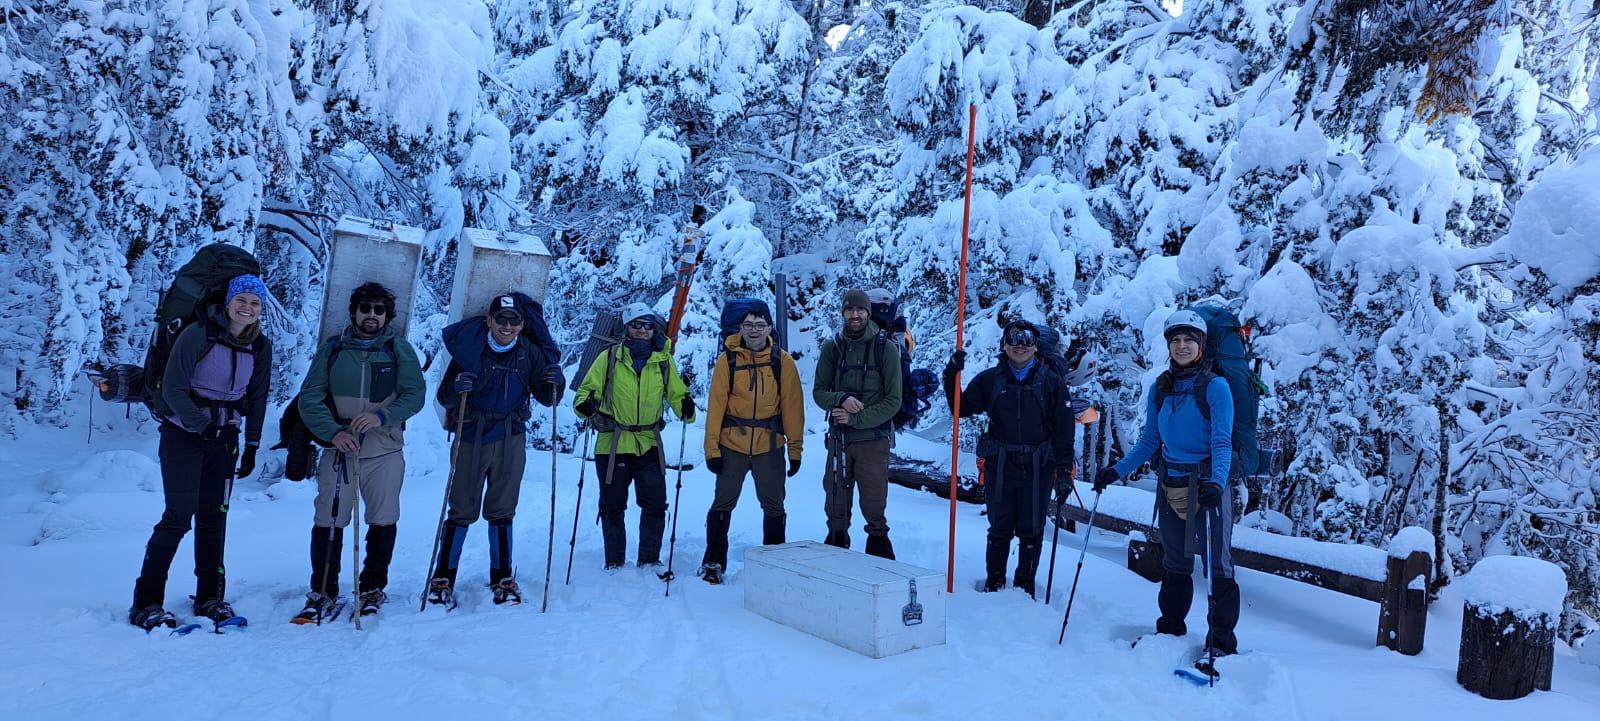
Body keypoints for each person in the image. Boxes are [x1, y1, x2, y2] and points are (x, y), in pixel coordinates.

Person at [1093, 309, 1241, 671]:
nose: (1182, 345)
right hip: (1171, 482)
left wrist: (1217, 482)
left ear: (1201, 344)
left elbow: (1222, 442)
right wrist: (1115, 471)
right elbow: (1149, 442)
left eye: (1189, 339)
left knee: (1218, 564)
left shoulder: (1216, 387)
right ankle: (1171, 628)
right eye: (1175, 340)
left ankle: (1221, 642)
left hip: (1207, 485)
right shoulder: (1162, 386)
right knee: (1175, 561)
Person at [129, 274, 271, 630]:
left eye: (255, 303)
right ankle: (146, 603)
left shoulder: (260, 346)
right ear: (228, 303)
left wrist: (252, 443)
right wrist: (202, 426)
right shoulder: (199, 334)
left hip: (225, 439)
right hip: (184, 436)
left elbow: (257, 397)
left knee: (213, 518)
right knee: (178, 516)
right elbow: (175, 388)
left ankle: (210, 597)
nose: (247, 308)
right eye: (242, 300)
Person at [293, 283, 426, 621]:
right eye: (365, 308)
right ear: (353, 312)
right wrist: (333, 433)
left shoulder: (399, 350)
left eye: (378, 310)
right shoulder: (332, 350)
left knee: (383, 518)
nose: (371, 315)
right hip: (341, 449)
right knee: (329, 519)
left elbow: (414, 395)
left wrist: (382, 415)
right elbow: (309, 399)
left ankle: (372, 587)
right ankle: (323, 590)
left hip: (384, 451)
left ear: (387, 316)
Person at [428, 293, 563, 607]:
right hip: (472, 435)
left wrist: (557, 382)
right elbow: (445, 395)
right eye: (500, 319)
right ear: (488, 321)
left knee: (503, 507)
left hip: (510, 436)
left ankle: (502, 576)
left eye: (513, 320)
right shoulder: (471, 351)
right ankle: (443, 577)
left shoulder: (528, 353)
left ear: (521, 324)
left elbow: (547, 397)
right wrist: (456, 388)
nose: (507, 325)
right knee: (461, 507)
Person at [943, 320, 1075, 596]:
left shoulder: (1051, 383)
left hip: (1039, 466)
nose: (1019, 345)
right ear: (1004, 344)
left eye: (1027, 340)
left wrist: (1063, 472)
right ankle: (995, 581)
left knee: (1032, 527)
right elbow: (961, 409)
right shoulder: (991, 379)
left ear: (1036, 346)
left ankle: (1025, 585)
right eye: (1013, 339)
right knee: (1000, 525)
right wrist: (951, 376)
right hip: (1000, 465)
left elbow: (1064, 431)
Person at [573, 303, 696, 570]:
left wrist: (685, 408)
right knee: (613, 505)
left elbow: (676, 393)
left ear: (654, 330)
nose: (642, 330)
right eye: (636, 325)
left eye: (647, 325)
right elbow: (585, 392)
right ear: (627, 327)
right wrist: (586, 406)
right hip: (612, 443)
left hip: (648, 443)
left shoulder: (663, 361)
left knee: (654, 503)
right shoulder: (608, 358)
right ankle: (614, 561)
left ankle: (649, 559)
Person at [698, 303, 804, 583]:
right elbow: (716, 405)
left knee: (774, 505)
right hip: (731, 444)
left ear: (769, 328)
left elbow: (793, 408)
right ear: (740, 328)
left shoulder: (782, 362)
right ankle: (713, 561)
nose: (754, 330)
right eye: (748, 325)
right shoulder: (728, 360)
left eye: (760, 325)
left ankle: (774, 560)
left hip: (769, 446)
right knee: (723, 502)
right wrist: (712, 449)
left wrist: (795, 449)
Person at [812, 289, 902, 559]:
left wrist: (856, 418)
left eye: (860, 310)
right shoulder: (833, 347)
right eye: (850, 310)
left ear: (868, 313)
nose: (855, 315)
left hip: (873, 440)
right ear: (843, 313)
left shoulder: (885, 348)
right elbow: (818, 392)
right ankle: (837, 546)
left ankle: (879, 550)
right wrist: (841, 398)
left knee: (874, 501)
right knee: (835, 498)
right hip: (839, 439)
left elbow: (893, 400)